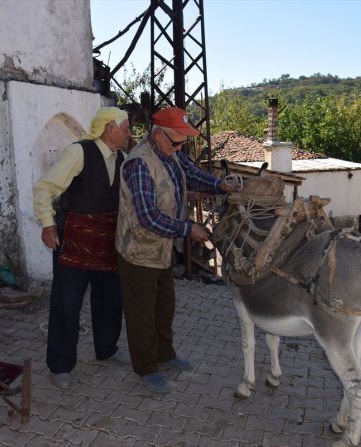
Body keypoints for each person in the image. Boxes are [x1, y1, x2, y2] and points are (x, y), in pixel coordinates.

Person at [115, 106, 236, 393]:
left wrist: (220, 185)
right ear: (158, 135)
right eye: (176, 142)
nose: (181, 147)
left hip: (162, 249)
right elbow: (147, 216)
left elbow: (192, 174)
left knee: (164, 306)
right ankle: (145, 368)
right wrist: (187, 228)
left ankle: (165, 355)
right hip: (138, 251)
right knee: (142, 313)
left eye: (183, 142)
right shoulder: (139, 164)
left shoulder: (171, 152)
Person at [33, 107, 132, 390]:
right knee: (67, 303)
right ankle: (61, 364)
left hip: (108, 243)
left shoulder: (122, 159)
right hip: (73, 242)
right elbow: (45, 188)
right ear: (108, 128)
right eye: (124, 127)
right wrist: (48, 224)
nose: (128, 132)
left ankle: (107, 348)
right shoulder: (79, 152)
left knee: (110, 300)